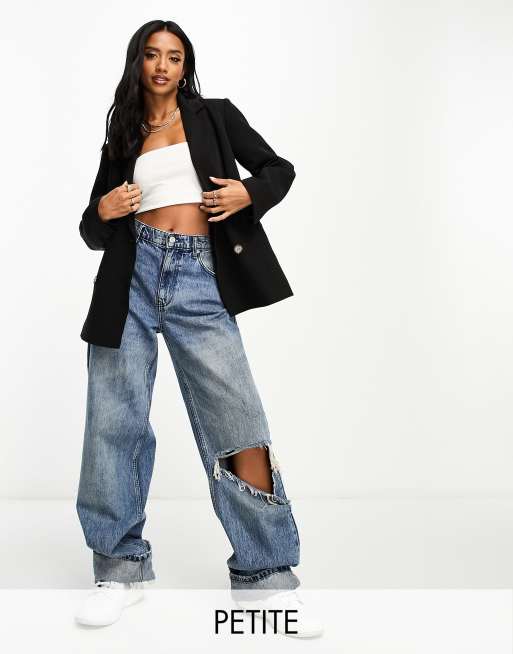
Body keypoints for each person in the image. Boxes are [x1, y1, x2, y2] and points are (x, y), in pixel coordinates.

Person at [74, 20, 323, 638]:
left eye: (175, 56)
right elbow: (92, 229)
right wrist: (102, 210)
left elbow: (279, 169)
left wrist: (247, 194)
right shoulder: (123, 133)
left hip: (199, 277)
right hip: (130, 278)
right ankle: (118, 569)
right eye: (152, 55)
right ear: (138, 62)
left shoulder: (215, 116)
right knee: (114, 422)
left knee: (238, 424)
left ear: (186, 66)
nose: (163, 65)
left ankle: (266, 575)